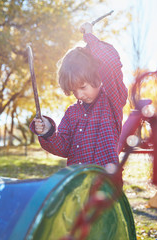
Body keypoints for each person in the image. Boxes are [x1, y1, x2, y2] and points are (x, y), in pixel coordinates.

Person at [29, 22, 128, 168]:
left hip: (104, 183)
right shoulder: (71, 112)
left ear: (98, 76)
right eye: (73, 90)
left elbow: (110, 61)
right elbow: (63, 147)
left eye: (82, 87)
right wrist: (47, 131)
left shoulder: (112, 99)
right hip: (77, 183)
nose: (79, 95)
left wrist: (89, 36)